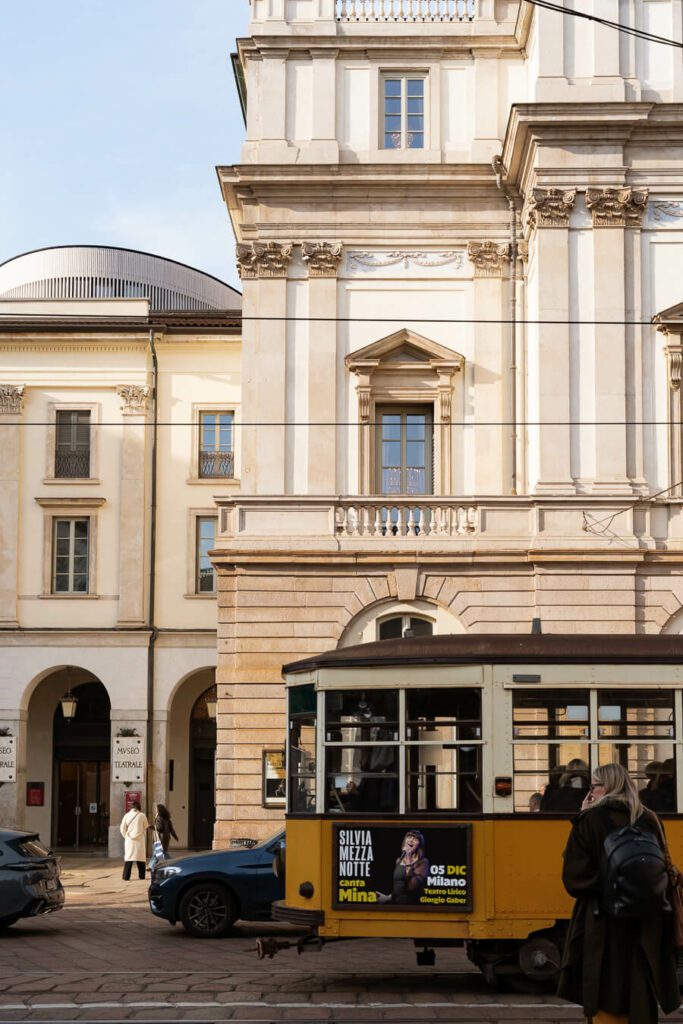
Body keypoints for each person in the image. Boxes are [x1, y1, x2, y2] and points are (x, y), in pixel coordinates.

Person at [557, 762, 680, 1024]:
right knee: (639, 985)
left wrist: (581, 817)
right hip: (647, 919)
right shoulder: (649, 819)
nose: (590, 792)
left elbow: (574, 879)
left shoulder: (591, 819)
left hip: (603, 920)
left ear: (606, 787)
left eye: (594, 786)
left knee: (606, 985)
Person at [376, 829, 429, 905]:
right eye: (409, 837)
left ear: (419, 844)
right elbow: (398, 887)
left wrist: (408, 858)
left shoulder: (423, 862)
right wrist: (387, 897)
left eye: (415, 839)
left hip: (412, 906)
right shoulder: (399, 860)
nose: (411, 840)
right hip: (396, 904)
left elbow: (412, 887)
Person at [120, 800, 149, 880]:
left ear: (131, 807)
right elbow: (146, 826)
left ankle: (126, 876)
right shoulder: (142, 815)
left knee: (129, 858)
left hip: (129, 840)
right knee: (141, 858)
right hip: (140, 839)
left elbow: (122, 828)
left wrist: (126, 836)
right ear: (138, 807)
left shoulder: (126, 815)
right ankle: (141, 876)